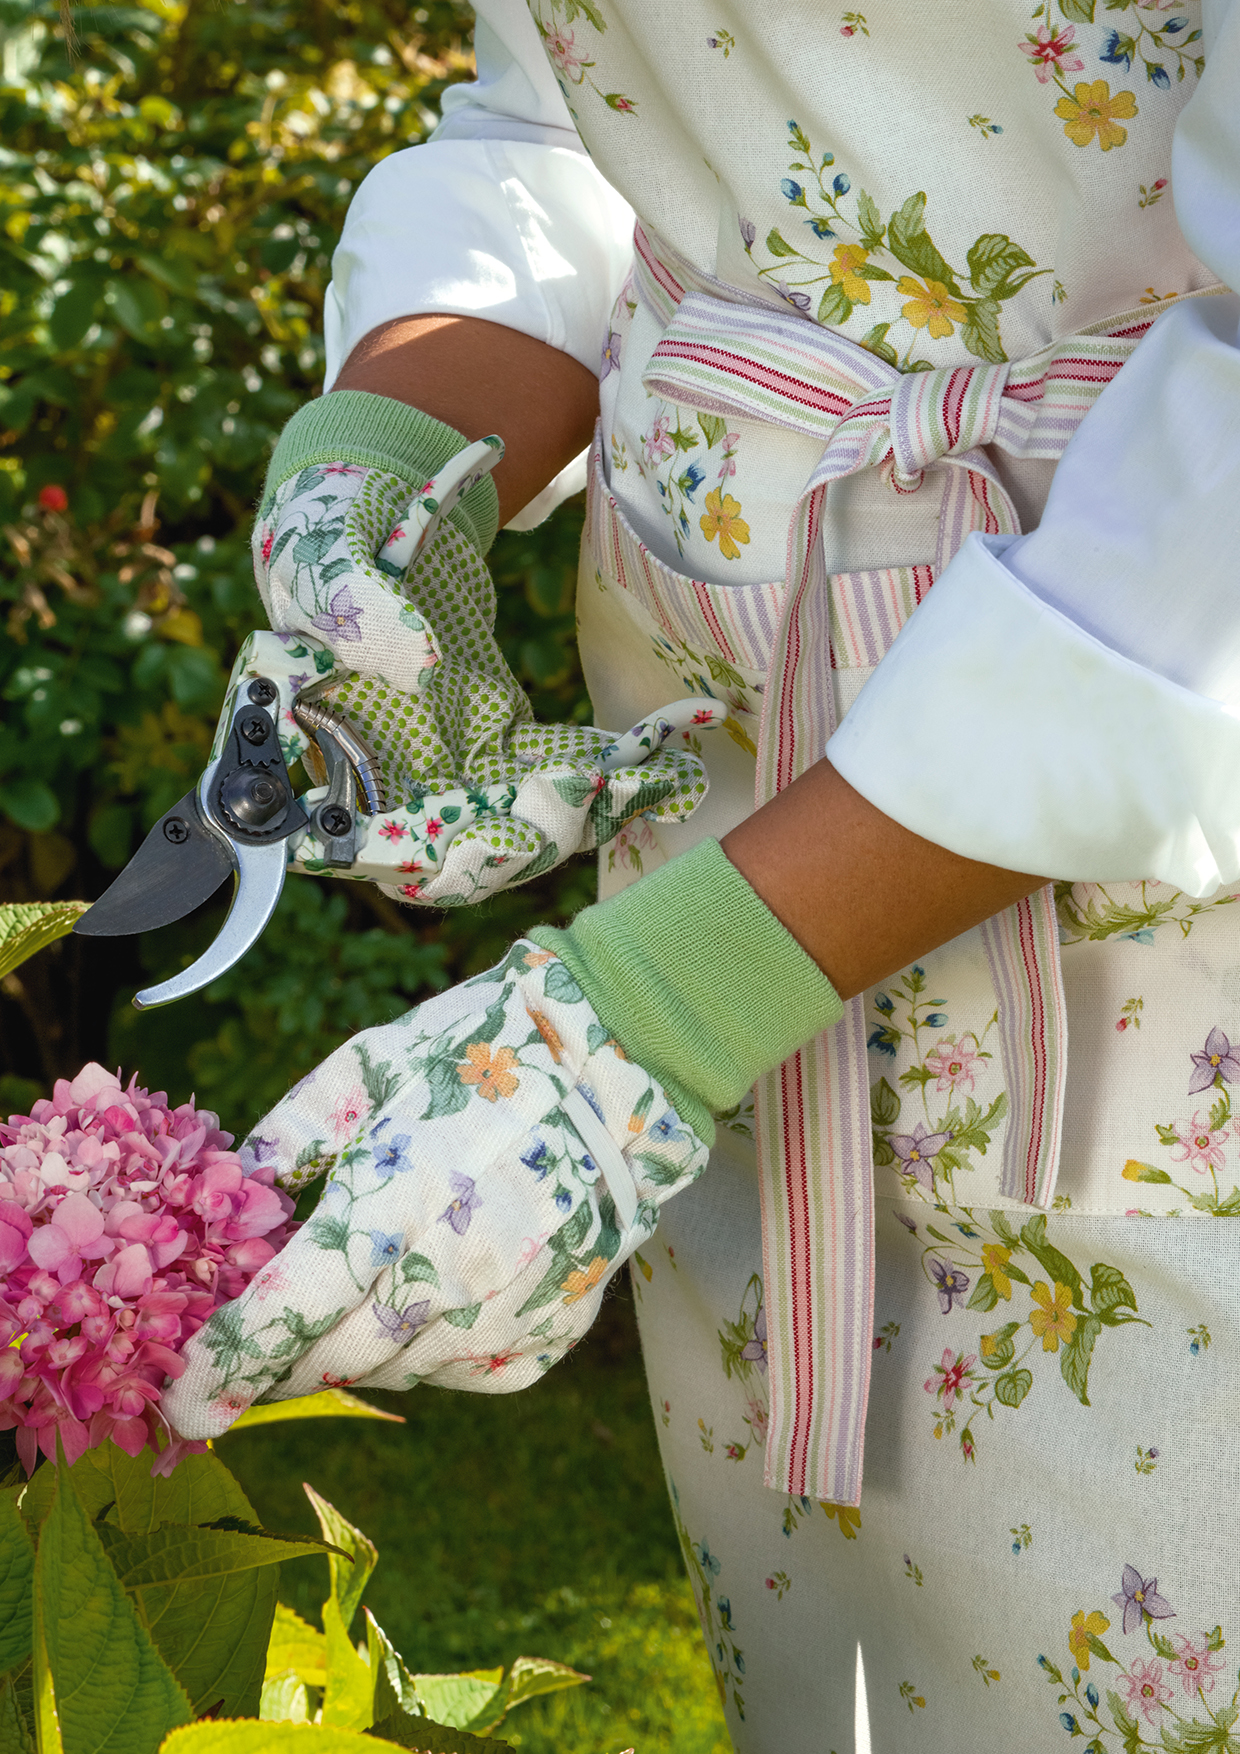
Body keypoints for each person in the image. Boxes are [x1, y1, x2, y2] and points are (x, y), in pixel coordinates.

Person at [166, 3, 1240, 1746]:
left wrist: (660, 1007)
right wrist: (387, 466)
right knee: (810, 1633)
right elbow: (572, 136)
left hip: (1157, 890)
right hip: (722, 827)